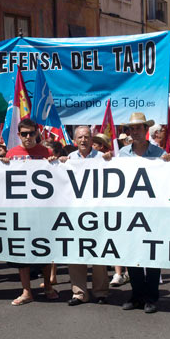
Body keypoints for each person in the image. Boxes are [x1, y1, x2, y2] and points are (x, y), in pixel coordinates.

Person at [118, 113, 170, 314]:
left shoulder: (159, 153)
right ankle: (137, 294)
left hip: (153, 212)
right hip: (130, 211)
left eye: (138, 128)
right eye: (131, 129)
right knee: (133, 254)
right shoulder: (122, 154)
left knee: (151, 254)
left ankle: (151, 297)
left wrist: (169, 162)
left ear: (145, 130)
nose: (135, 132)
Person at [1, 119, 58, 306]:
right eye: (24, 134)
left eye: (31, 133)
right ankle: (26, 291)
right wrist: (2, 166)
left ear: (37, 133)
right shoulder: (12, 153)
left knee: (44, 249)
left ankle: (48, 286)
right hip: (19, 210)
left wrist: (55, 163)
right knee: (20, 252)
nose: (27, 137)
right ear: (19, 135)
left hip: (42, 211)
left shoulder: (46, 152)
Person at [59, 126, 111, 306]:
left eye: (86, 137)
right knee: (75, 253)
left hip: (97, 213)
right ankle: (79, 293)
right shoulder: (69, 159)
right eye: (80, 137)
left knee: (98, 254)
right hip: (74, 214)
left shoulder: (102, 158)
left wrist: (111, 162)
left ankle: (101, 292)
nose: (83, 140)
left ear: (92, 139)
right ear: (75, 140)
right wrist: (56, 163)